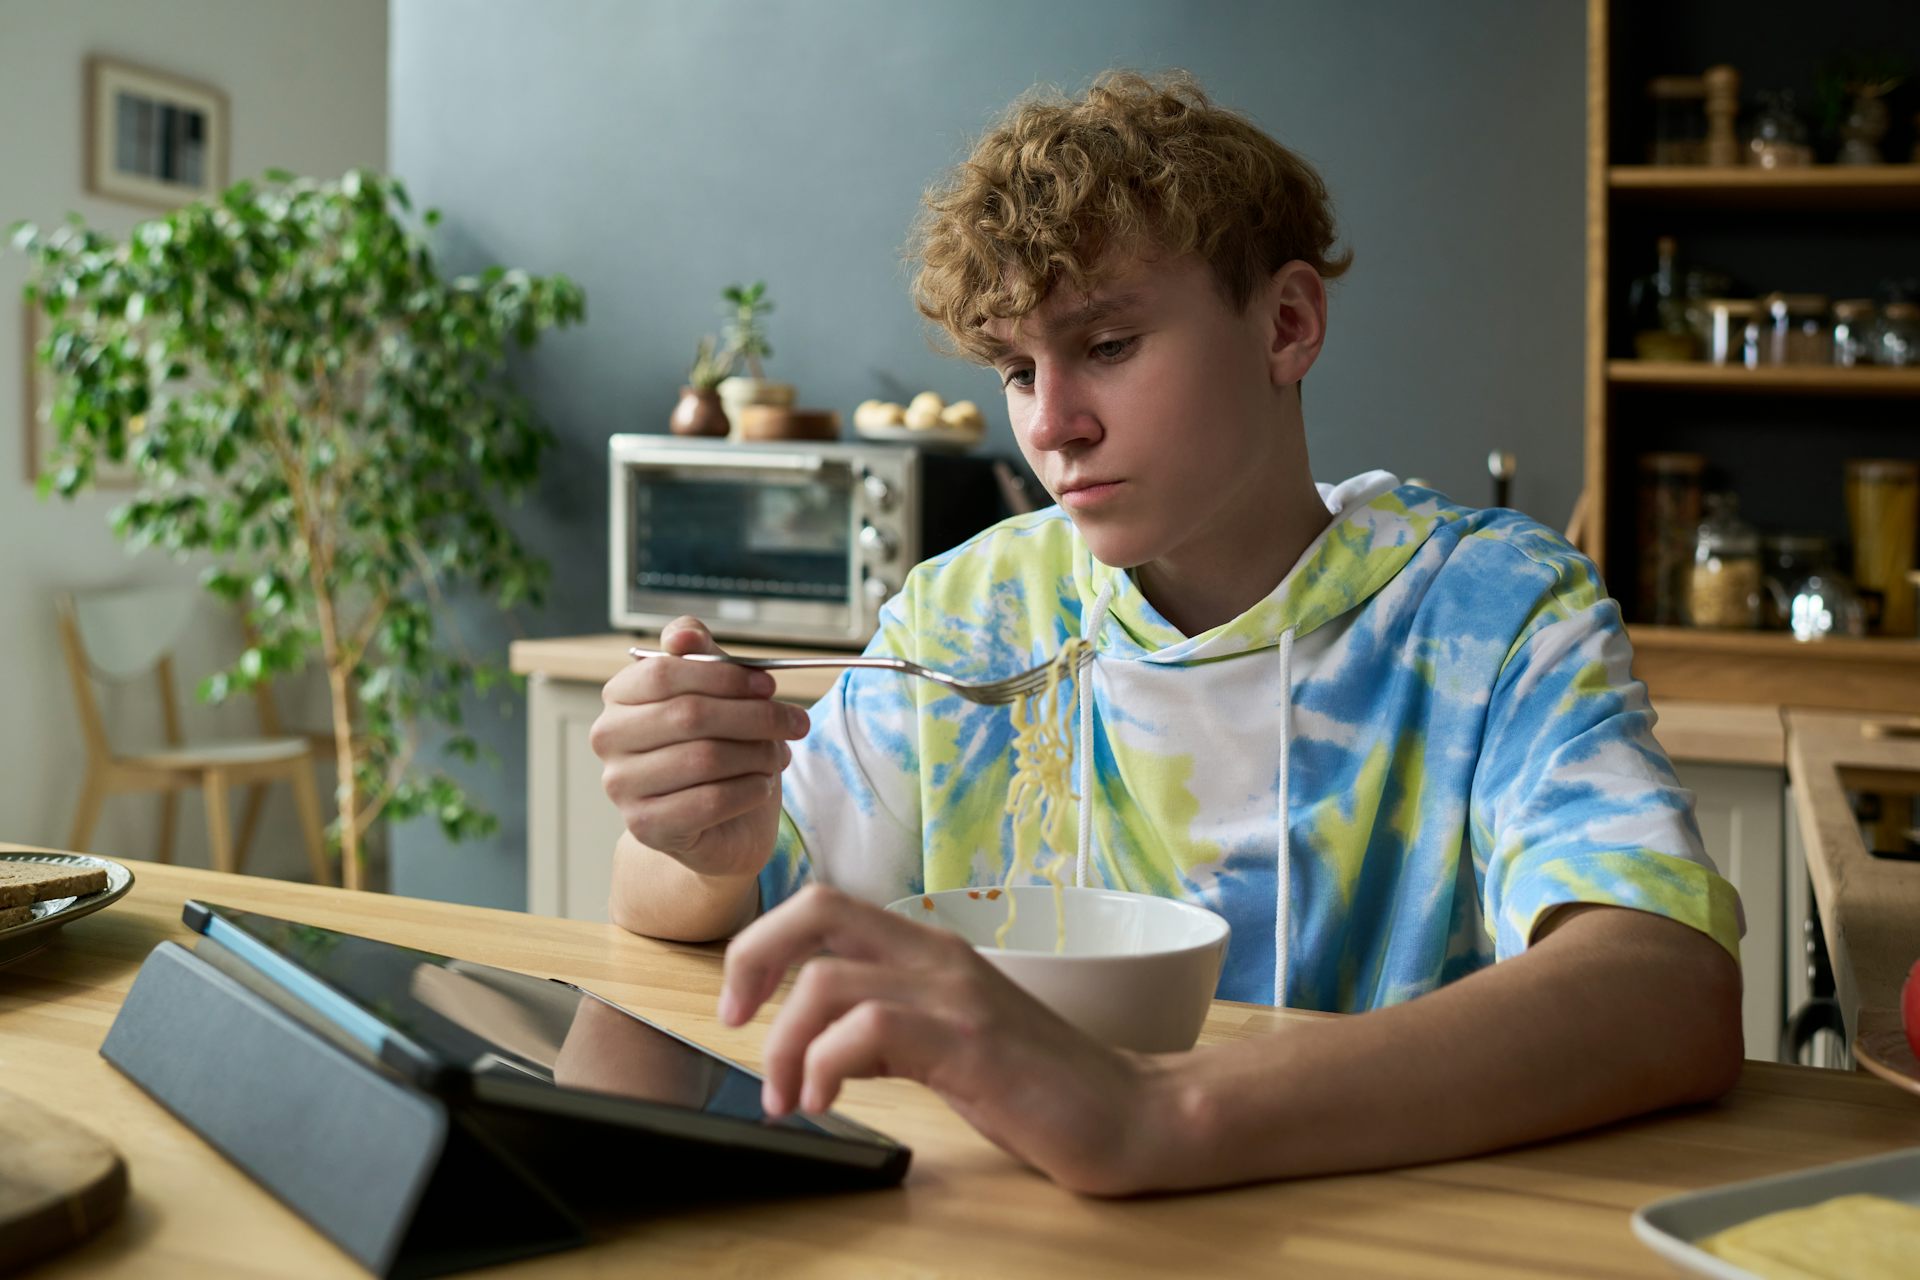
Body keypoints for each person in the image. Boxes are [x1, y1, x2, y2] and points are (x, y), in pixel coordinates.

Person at [590, 70, 1743, 1196]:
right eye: (1014, 367)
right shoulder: (973, 612)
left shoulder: (1490, 615)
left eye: (1107, 345)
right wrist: (699, 831)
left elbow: (1666, 987)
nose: (1053, 426)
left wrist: (1158, 1113)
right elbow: (709, 903)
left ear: (1287, 325)